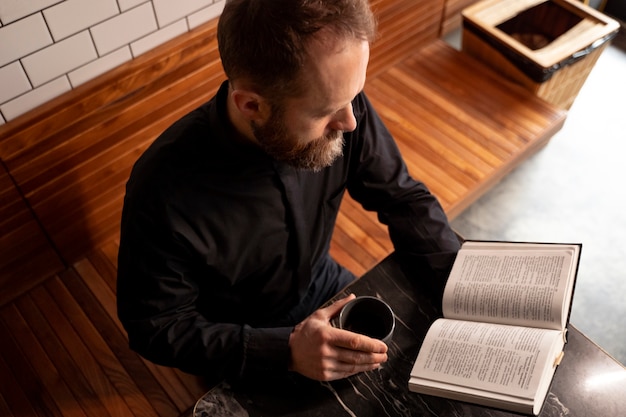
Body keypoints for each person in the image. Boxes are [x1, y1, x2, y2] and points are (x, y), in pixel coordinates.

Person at [116, 0, 460, 386]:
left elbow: (402, 197)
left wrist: (460, 281)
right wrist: (288, 352)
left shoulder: (340, 104)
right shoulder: (161, 190)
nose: (350, 122)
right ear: (252, 105)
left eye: (354, 96)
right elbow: (156, 326)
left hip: (325, 285)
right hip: (240, 341)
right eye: (327, 111)